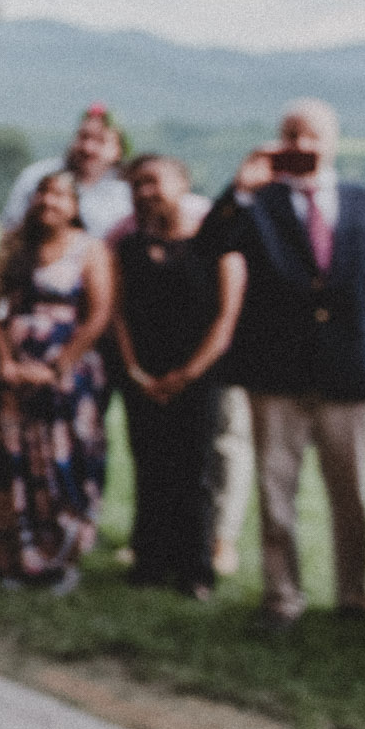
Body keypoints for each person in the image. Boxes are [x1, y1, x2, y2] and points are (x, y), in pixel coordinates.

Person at [204, 98, 365, 630]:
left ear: (334, 140)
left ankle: (358, 594)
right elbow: (208, 248)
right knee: (277, 488)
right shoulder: (260, 203)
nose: (303, 146)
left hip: (346, 369)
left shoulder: (363, 202)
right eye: (291, 135)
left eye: (313, 135)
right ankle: (282, 596)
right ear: (276, 142)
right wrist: (240, 189)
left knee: (352, 492)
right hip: (276, 370)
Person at [112, 156, 245, 599]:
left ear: (183, 184)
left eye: (153, 181)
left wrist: (186, 375)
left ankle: (196, 570)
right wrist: (136, 371)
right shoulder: (127, 247)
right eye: (136, 185)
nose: (144, 192)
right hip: (143, 376)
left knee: (197, 472)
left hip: (200, 375)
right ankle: (149, 560)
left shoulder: (216, 245)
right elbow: (119, 315)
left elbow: (226, 319)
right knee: (149, 465)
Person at [0, 169, 114, 590]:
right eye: (42, 193)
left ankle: (61, 557)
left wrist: (57, 366)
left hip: (66, 372)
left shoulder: (90, 250)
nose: (49, 202)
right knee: (14, 460)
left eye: (60, 195)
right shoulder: (14, 245)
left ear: (75, 206)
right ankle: (15, 557)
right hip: (12, 372)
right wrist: (5, 360)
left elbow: (97, 317)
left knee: (61, 462)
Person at [0, 103, 133, 238]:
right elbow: (11, 229)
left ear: (118, 150)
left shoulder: (127, 189)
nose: (88, 148)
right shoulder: (37, 176)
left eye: (100, 140)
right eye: (83, 136)